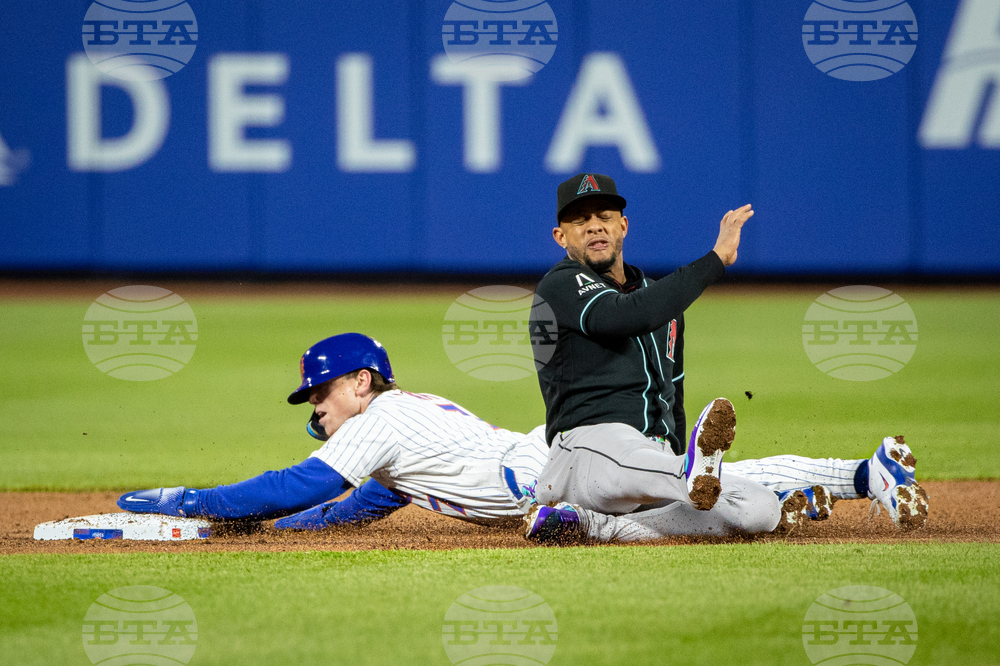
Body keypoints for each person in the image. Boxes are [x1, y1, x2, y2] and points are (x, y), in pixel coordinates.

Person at [117, 334, 928, 540]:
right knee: (714, 514)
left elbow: (306, 485)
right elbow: (346, 511)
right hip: (550, 476)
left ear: (361, 382)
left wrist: (202, 501)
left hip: (559, 471)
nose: (316, 408)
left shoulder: (383, 417)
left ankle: (729, 479)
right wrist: (256, 534)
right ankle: (854, 477)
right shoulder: (396, 436)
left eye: (321, 392)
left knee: (687, 503)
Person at [521, 173, 928, 542]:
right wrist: (714, 261)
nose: (594, 225)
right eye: (580, 220)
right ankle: (688, 474)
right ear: (561, 236)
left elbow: (671, 394)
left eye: (604, 215)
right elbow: (629, 316)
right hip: (584, 455)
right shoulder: (559, 285)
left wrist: (677, 447)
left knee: (761, 511)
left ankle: (596, 526)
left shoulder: (659, 297)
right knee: (650, 462)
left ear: (622, 226)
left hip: (654, 464)